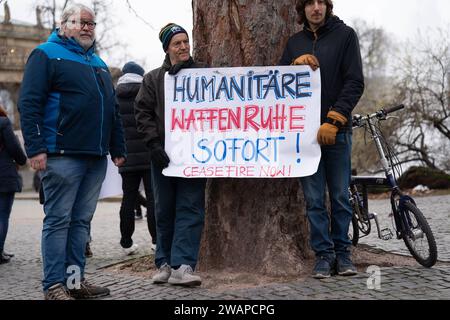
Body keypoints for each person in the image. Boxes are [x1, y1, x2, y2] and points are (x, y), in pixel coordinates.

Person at [18, 4, 126, 299]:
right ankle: (53, 285)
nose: (88, 28)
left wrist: (118, 147)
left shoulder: (99, 63)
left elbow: (112, 110)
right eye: (82, 23)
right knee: (58, 220)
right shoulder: (45, 54)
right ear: (64, 24)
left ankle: (75, 282)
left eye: (92, 24)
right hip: (60, 154)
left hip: (95, 156)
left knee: (81, 222)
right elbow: (29, 103)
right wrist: (36, 147)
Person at [279, 0, 364, 279]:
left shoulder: (346, 35)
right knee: (314, 199)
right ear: (302, 9)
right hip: (304, 136)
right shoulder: (293, 43)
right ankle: (324, 256)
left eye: (321, 2)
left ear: (328, 7)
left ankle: (343, 253)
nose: (316, 8)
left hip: (336, 131)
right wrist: (294, 66)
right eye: (310, 3)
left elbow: (355, 81)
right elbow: (279, 84)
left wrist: (335, 118)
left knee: (339, 196)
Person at [135, 23, 206, 287]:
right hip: (163, 156)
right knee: (164, 209)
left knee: (190, 207)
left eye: (186, 41)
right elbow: (142, 113)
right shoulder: (153, 79)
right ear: (167, 48)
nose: (184, 47)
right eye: (177, 43)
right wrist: (153, 145)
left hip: (195, 157)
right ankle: (163, 262)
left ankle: (183, 266)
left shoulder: (204, 75)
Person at [117, 61, 157, 255]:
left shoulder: (115, 95)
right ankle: (157, 241)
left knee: (128, 199)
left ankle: (126, 242)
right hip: (149, 154)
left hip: (126, 156)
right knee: (153, 198)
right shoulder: (147, 90)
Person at [0, 106, 27, 264]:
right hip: (4, 175)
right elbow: (14, 148)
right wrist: (22, 160)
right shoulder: (3, 123)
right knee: (2, 215)